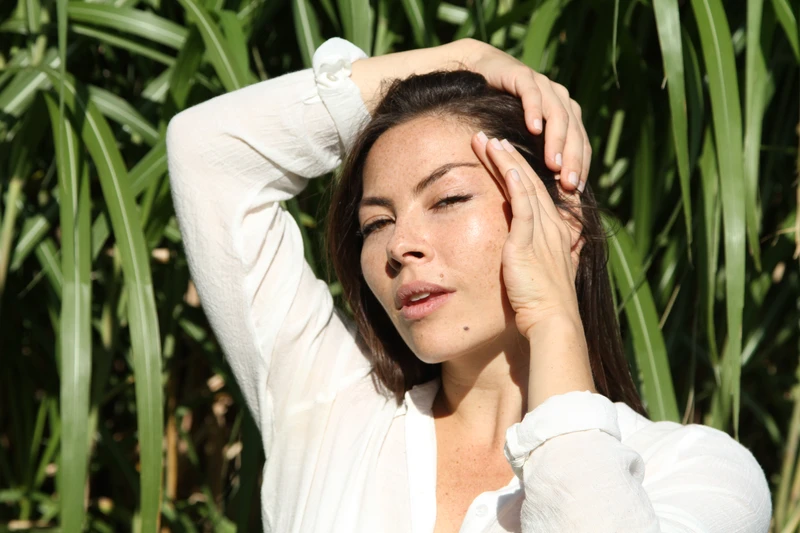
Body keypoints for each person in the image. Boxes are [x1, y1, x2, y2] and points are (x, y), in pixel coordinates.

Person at [166, 37, 771, 532]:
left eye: (449, 198)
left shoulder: (696, 471)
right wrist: (469, 58)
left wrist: (555, 324)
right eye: (377, 223)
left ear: (565, 224)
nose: (401, 244)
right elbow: (207, 151)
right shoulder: (331, 407)